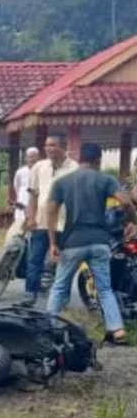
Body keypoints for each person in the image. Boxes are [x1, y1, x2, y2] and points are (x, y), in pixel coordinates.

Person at [46, 143, 134, 344]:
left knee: (60, 286)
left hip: (73, 242)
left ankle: (48, 326)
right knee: (105, 289)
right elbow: (126, 202)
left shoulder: (63, 181)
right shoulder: (106, 179)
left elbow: (50, 211)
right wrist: (132, 221)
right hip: (100, 242)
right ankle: (117, 329)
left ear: (80, 159)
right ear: (98, 160)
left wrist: (53, 242)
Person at [23, 134, 78, 306]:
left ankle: (60, 296)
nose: (49, 149)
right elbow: (33, 195)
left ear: (63, 147)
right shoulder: (39, 167)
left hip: (63, 223)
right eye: (47, 145)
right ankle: (30, 293)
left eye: (53, 145)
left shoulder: (74, 168)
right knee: (35, 259)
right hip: (41, 221)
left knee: (62, 261)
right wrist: (31, 217)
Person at [7, 147, 40, 241]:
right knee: (19, 225)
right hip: (22, 201)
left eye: (33, 157)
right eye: (29, 157)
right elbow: (16, 186)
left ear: (38, 157)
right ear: (26, 158)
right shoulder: (20, 172)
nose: (31, 159)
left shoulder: (41, 170)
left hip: (36, 202)